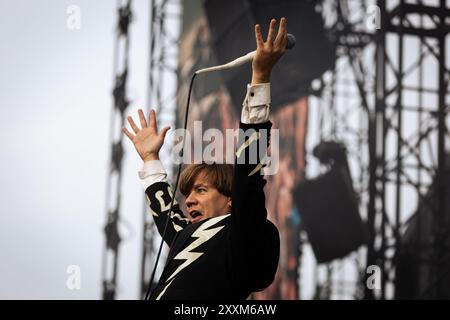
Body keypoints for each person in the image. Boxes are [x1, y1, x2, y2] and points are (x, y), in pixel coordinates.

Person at [123, 17, 288, 300]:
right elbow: (164, 209)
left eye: (201, 190)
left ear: (232, 198)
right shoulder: (184, 235)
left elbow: (249, 171)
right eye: (188, 192)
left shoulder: (242, 232)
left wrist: (260, 77)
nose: (187, 201)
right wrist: (150, 157)